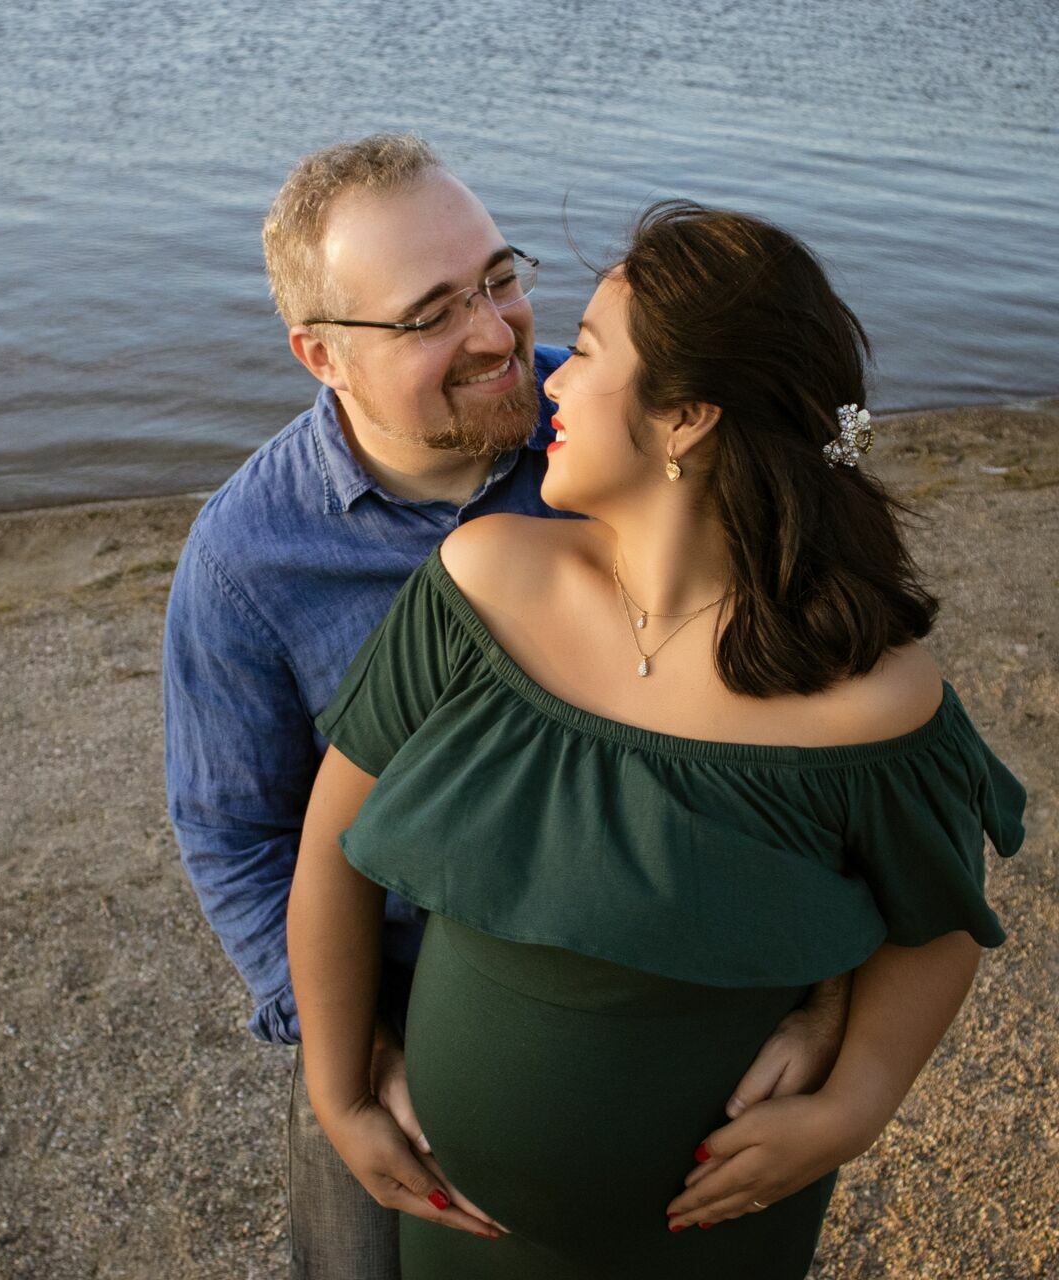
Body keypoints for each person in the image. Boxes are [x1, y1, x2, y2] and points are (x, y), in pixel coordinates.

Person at [287, 199, 1028, 1278]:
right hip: (461, 1231)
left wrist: (852, 1106)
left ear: (685, 419)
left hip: (714, 1243)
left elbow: (939, 925)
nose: (549, 380)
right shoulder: (479, 585)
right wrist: (341, 1088)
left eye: (585, 352)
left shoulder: (872, 700)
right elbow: (329, 852)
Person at [162, 134, 852, 1278]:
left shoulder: (620, 443)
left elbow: (821, 731)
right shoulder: (246, 563)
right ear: (322, 355)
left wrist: (828, 1007)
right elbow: (235, 835)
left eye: (498, 277)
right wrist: (354, 1056)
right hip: (388, 1023)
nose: (495, 332)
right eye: (430, 312)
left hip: (660, 997)